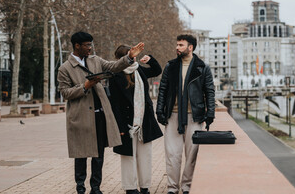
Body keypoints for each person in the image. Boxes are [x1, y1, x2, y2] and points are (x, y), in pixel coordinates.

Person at [57, 32, 144, 194]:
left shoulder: (95, 60)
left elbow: (113, 67)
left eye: (90, 44)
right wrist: (85, 86)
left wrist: (129, 58)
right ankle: (80, 188)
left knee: (98, 155)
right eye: (86, 45)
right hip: (80, 118)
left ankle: (95, 188)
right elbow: (65, 93)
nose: (90, 48)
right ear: (77, 46)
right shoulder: (65, 68)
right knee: (81, 155)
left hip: (100, 115)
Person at [156, 34, 215, 194]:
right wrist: (159, 110)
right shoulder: (170, 66)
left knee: (192, 155)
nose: (177, 48)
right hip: (172, 116)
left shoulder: (202, 67)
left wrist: (210, 113)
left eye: (181, 45)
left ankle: (187, 187)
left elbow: (209, 91)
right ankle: (172, 188)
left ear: (190, 47)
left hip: (195, 117)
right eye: (177, 45)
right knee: (172, 155)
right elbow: (163, 89)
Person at [109, 45, 163, 194]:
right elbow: (115, 104)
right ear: (122, 58)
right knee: (128, 156)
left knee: (145, 156)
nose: (133, 57)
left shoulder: (139, 70)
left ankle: (145, 187)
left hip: (144, 121)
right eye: (129, 55)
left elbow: (157, 70)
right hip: (126, 123)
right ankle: (131, 188)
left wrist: (150, 59)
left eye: (134, 55)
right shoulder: (115, 75)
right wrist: (119, 127)